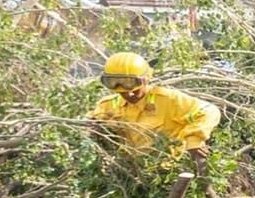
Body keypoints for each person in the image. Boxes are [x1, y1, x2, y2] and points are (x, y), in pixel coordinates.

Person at [88, 51, 220, 167]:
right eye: (122, 92)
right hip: (131, 172)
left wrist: (194, 139)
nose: (129, 94)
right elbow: (90, 125)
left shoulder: (168, 99)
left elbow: (209, 110)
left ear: (146, 79)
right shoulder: (107, 106)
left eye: (134, 90)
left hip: (169, 171)